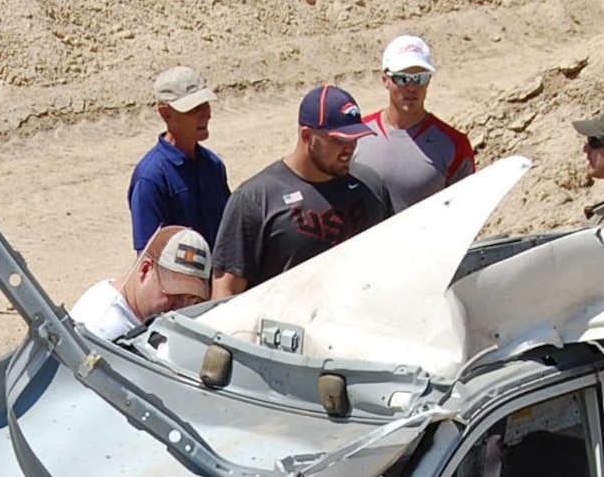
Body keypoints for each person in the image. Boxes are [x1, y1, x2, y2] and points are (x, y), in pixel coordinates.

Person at [211, 85, 387, 300]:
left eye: (354, 138)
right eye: (339, 140)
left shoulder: (370, 186)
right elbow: (225, 291)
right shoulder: (256, 200)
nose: (350, 148)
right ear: (307, 136)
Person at [352, 35, 477, 212]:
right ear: (385, 80)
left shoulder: (455, 145)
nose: (411, 87)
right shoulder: (356, 136)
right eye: (402, 78)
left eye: (420, 78)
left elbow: (466, 211)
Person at [128, 66, 230, 251]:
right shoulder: (151, 179)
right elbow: (151, 258)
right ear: (166, 114)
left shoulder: (213, 165)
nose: (206, 115)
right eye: (194, 109)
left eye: (206, 105)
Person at [71, 225, 212, 337]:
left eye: (191, 298)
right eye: (174, 293)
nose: (181, 307)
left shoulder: (132, 310)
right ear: (145, 270)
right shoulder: (104, 330)